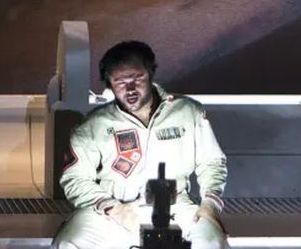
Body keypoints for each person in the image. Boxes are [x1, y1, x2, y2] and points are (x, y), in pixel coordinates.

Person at [53, 41, 228, 249]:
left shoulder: (188, 112)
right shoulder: (93, 126)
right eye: (119, 82)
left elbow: (212, 162)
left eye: (137, 78)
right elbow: (75, 178)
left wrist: (209, 205)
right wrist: (112, 208)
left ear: (151, 73)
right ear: (109, 83)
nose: (130, 89)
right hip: (114, 209)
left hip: (176, 206)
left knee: (211, 242)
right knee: (69, 243)